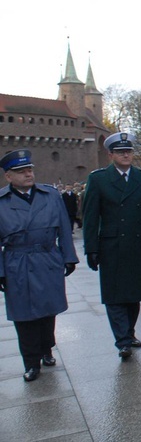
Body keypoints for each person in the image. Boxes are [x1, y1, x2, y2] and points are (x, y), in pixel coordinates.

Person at [83, 132, 141, 360]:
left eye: (128, 151)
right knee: (114, 295)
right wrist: (91, 248)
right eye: (120, 152)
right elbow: (90, 217)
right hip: (111, 245)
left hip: (136, 244)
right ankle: (122, 340)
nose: (126, 155)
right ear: (110, 155)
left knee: (133, 295)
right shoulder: (98, 180)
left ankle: (129, 331)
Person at [0, 150, 78, 381]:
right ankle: (31, 362)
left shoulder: (50, 195)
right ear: (8, 176)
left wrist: (69, 257)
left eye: (30, 169)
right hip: (17, 262)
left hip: (46, 258)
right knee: (23, 316)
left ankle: (47, 347)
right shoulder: (2, 201)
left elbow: (64, 227)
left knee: (47, 310)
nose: (28, 174)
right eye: (21, 171)